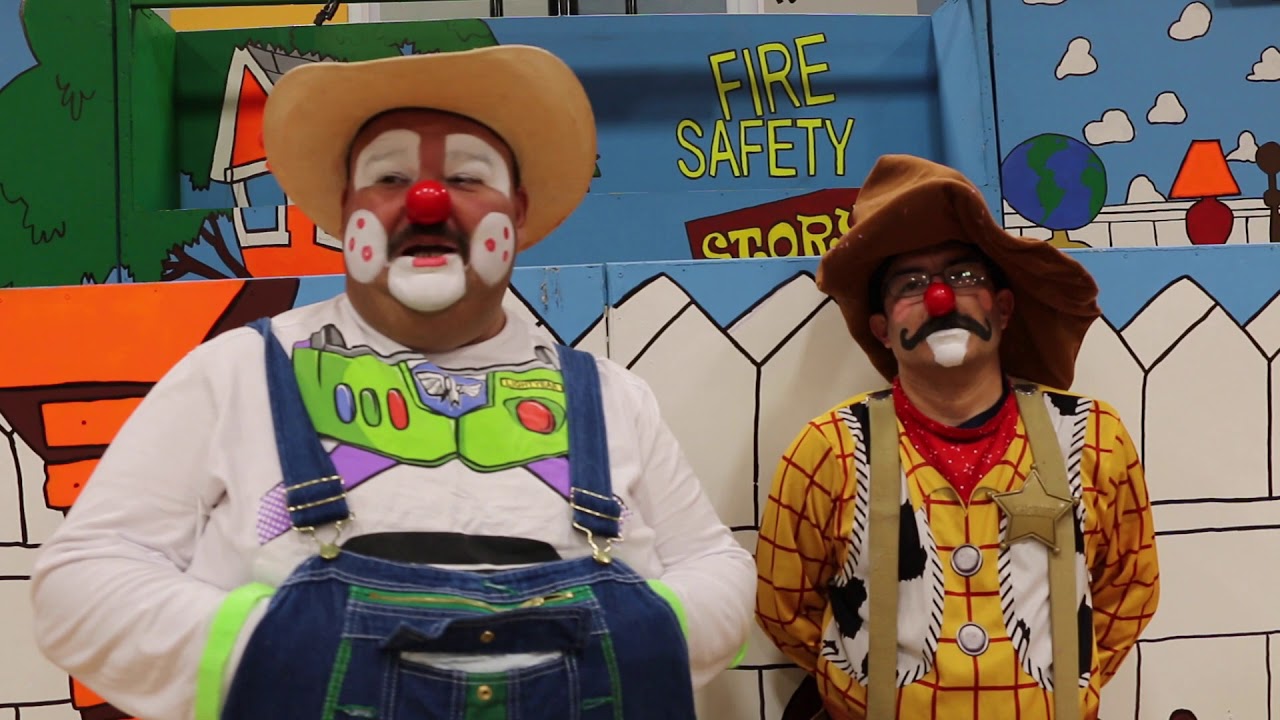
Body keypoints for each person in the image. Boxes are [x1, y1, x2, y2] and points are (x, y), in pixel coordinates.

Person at [31, 45, 754, 720]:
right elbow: (81, 582)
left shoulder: (611, 396)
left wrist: (643, 637)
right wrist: (269, 649)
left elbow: (714, 565)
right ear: (347, 215)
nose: (427, 201)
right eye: (388, 179)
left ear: (517, 215)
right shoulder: (236, 371)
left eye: (467, 178)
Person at [754, 154, 1160, 720]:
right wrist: (860, 687)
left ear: (1004, 307)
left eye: (964, 277)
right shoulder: (827, 450)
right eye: (910, 284)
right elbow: (783, 605)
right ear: (882, 329)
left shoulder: (1094, 435)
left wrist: (1059, 686)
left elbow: (1131, 585)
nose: (940, 298)